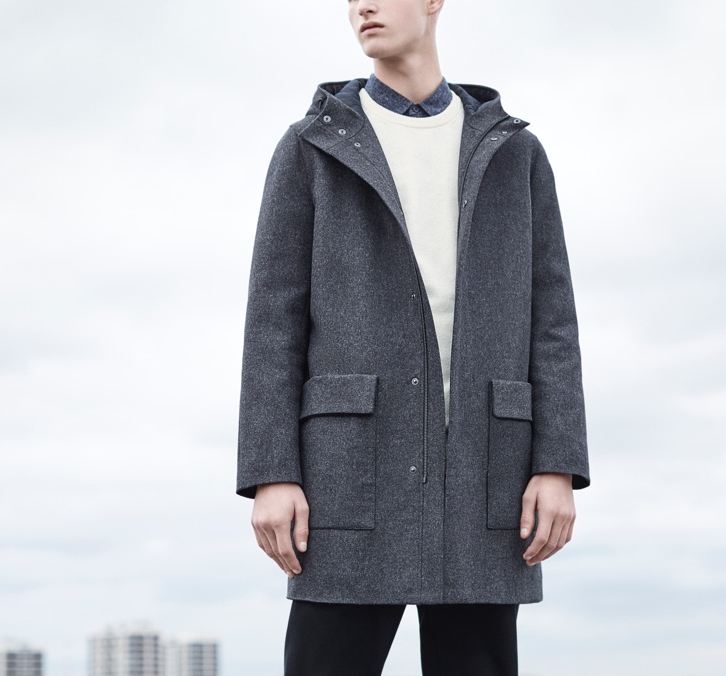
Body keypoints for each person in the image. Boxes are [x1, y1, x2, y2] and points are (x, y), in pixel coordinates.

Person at [236, 0, 590, 673]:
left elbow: (553, 319)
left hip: (488, 469)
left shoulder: (516, 152)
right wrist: (271, 473)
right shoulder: (310, 147)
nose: (362, 7)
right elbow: (273, 323)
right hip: (348, 472)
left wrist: (557, 464)